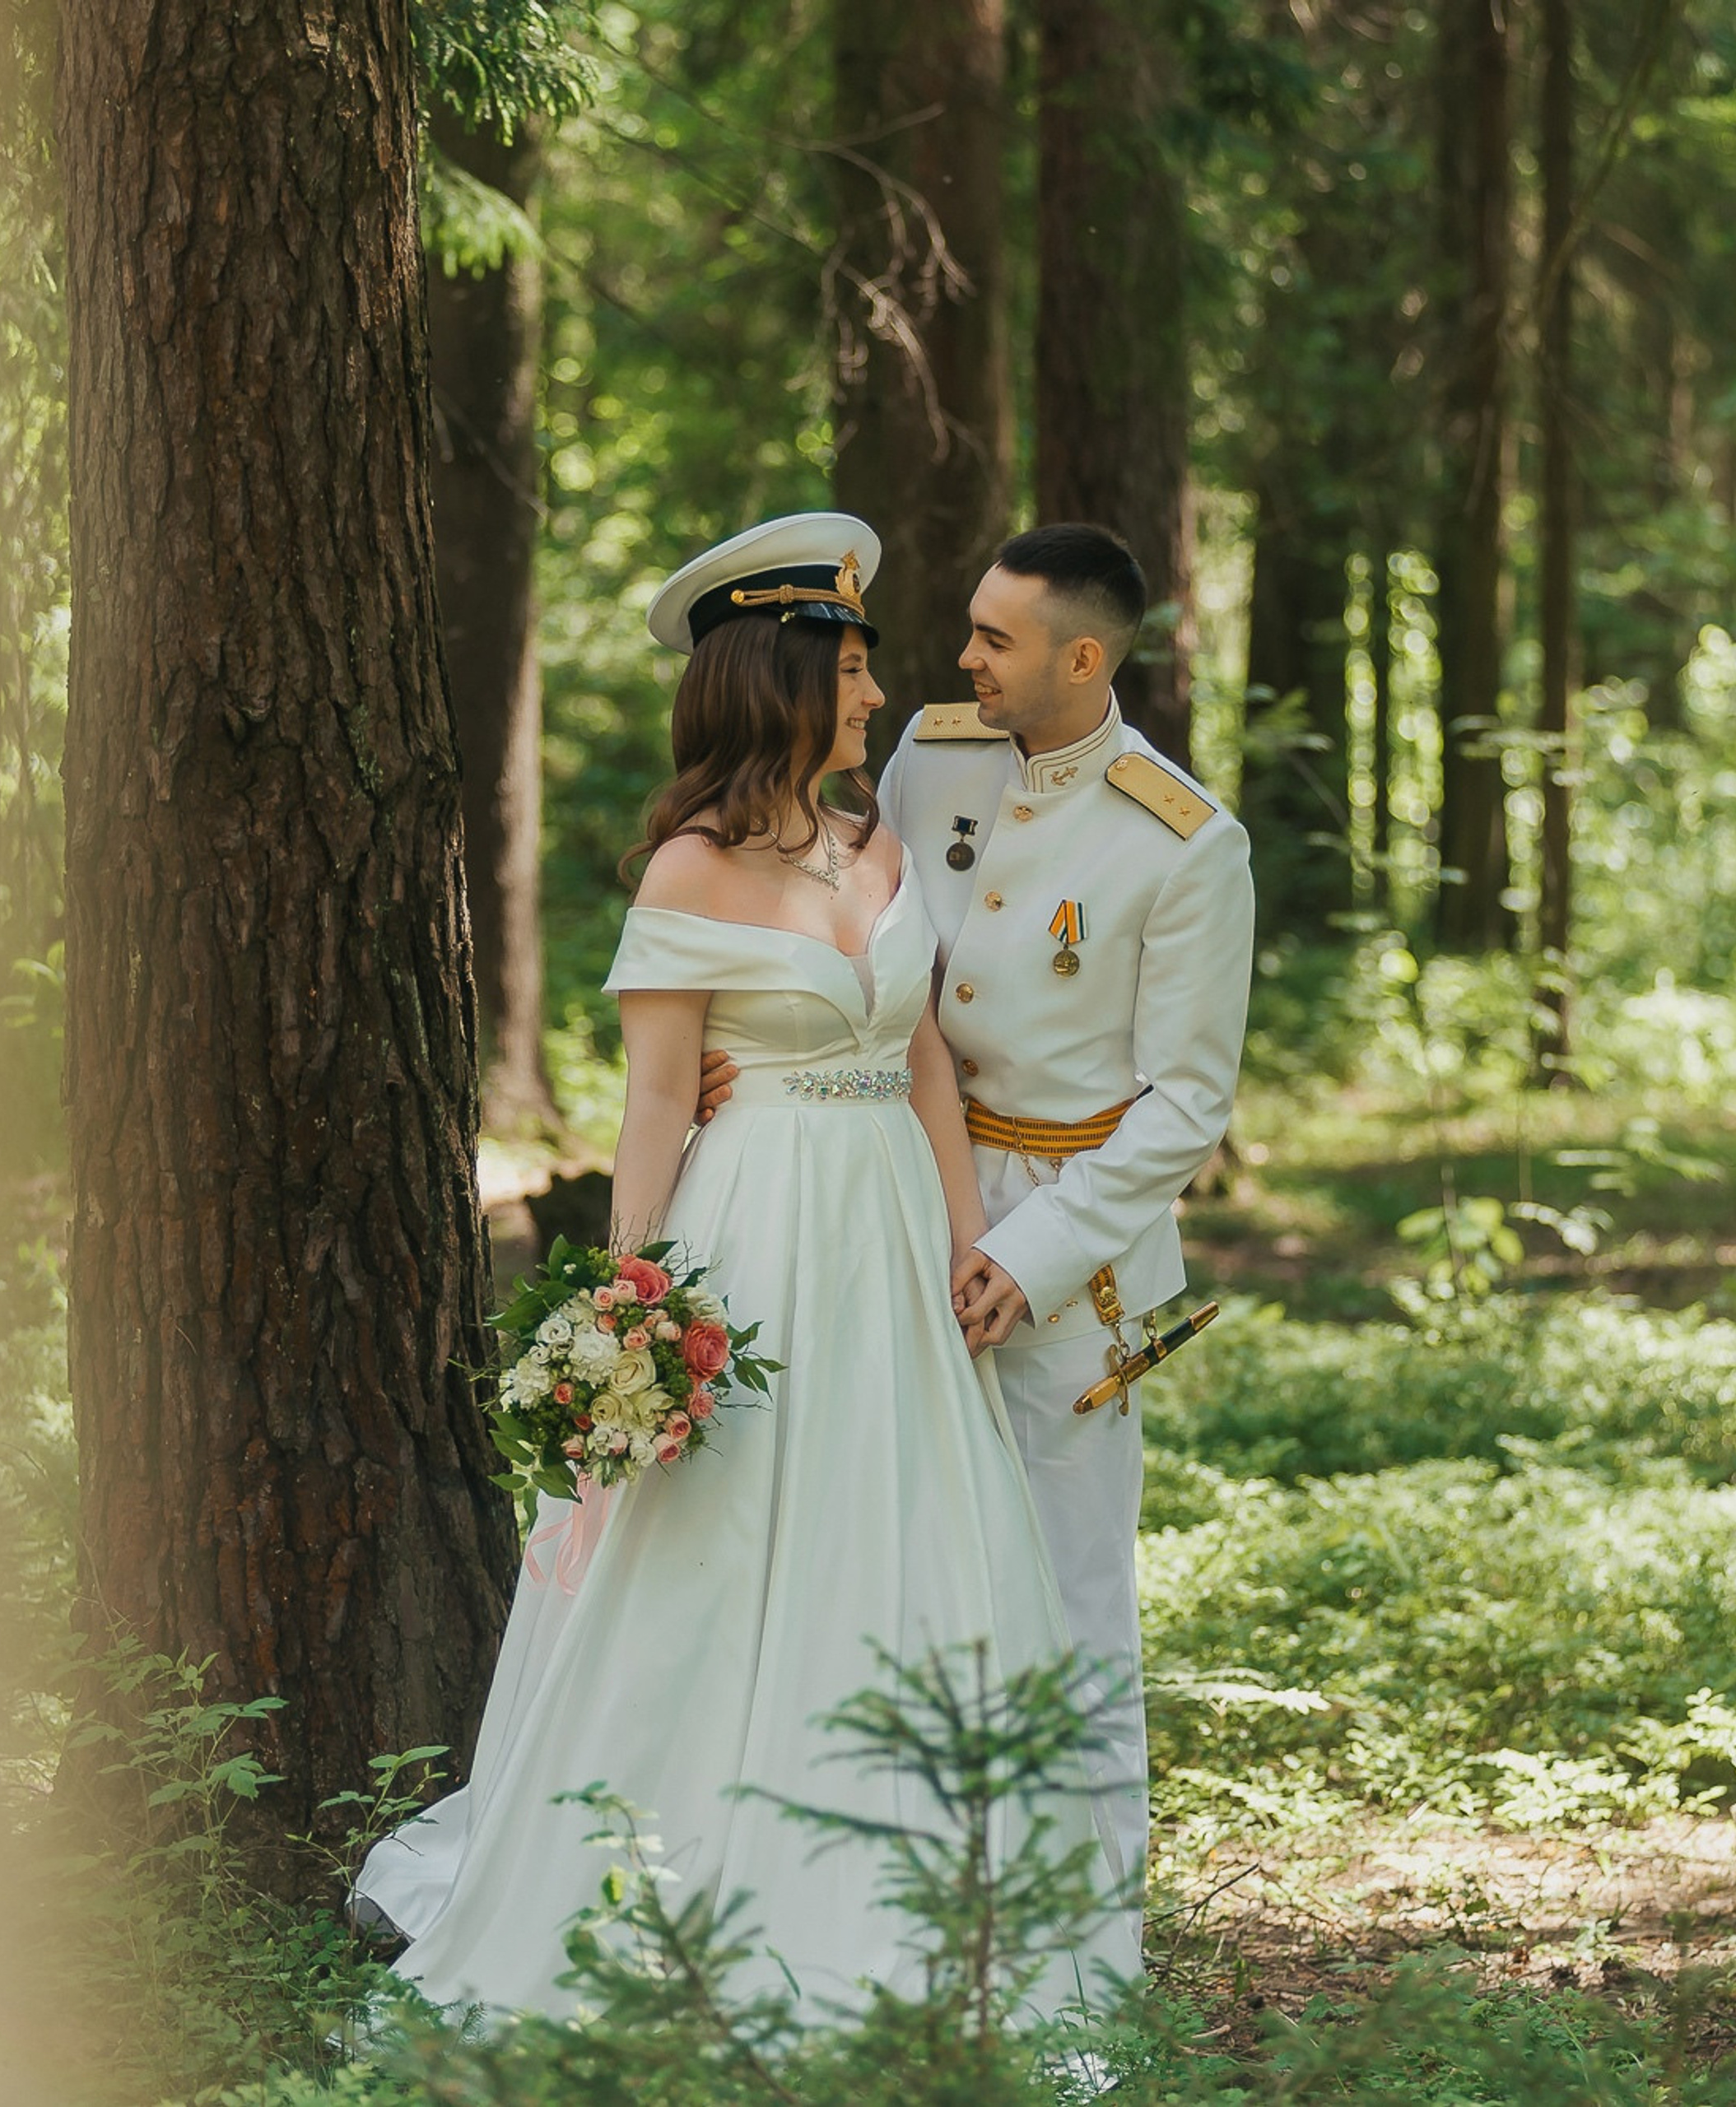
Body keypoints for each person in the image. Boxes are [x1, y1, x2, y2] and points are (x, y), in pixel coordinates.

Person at [353, 513, 1135, 2023]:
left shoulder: (883, 848)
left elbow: (923, 1067)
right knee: (719, 1547)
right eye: (850, 669)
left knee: (903, 1533)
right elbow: (654, 1105)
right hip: (756, 1235)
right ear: (780, 681)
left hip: (895, 1242)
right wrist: (630, 1315)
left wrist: (971, 1254)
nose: (876, 695)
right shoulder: (687, 877)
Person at [698, 523, 1255, 1983]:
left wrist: (1043, 1253)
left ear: (1084, 656)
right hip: (893, 1191)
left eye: (996, 639)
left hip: (1075, 1246)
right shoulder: (934, 757)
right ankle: (907, 1908)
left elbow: (1188, 1101)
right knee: (896, 1555)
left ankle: (1081, 1954)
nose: (963, 660)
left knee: (1070, 1596)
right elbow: (840, 919)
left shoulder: (1187, 839)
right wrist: (744, 1053)